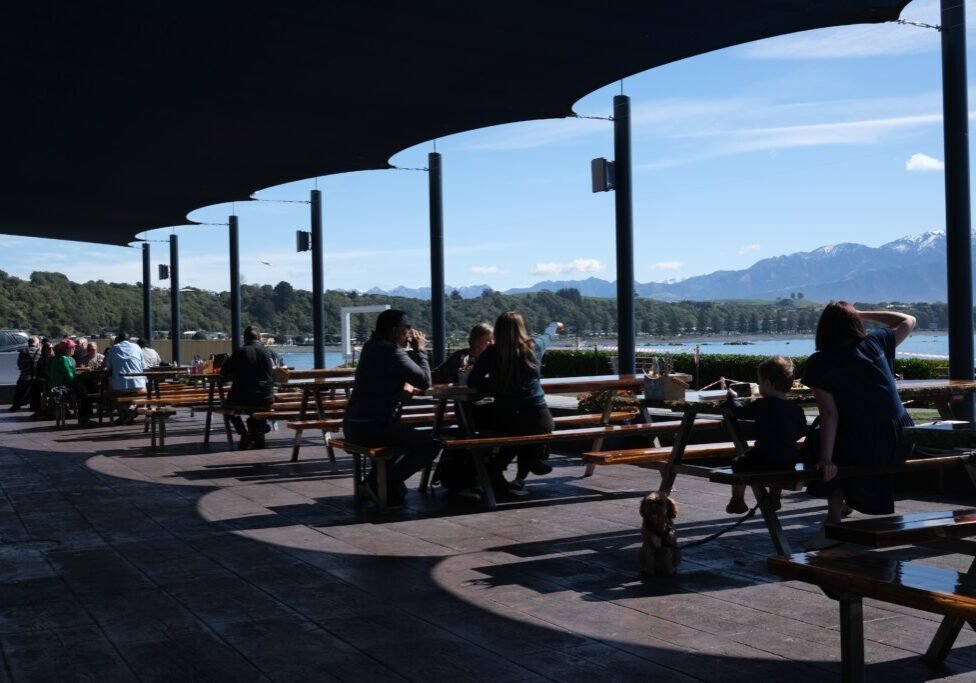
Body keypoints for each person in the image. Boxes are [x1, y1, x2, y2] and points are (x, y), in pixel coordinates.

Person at [803, 301, 916, 549]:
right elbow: (907, 320)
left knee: (820, 440)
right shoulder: (875, 343)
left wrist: (826, 458)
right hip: (903, 437)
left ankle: (832, 524)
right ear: (855, 323)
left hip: (868, 444)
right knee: (847, 435)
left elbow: (829, 413)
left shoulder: (820, 362)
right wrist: (861, 313)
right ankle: (845, 503)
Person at [342, 310, 439, 507]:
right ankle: (380, 483)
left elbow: (387, 377)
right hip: (374, 427)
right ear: (396, 331)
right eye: (407, 329)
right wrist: (420, 350)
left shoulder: (371, 346)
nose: (410, 334)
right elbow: (425, 381)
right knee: (431, 444)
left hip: (355, 425)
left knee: (404, 440)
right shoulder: (390, 350)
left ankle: (380, 484)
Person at [467, 312, 564, 497]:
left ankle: (493, 473)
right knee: (533, 438)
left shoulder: (491, 352)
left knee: (509, 440)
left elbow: (473, 381)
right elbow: (548, 334)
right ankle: (520, 480)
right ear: (522, 327)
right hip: (538, 415)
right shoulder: (533, 347)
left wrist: (498, 386)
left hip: (506, 415)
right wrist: (555, 323)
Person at [723, 355, 808, 514]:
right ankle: (775, 495)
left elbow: (741, 412)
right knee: (778, 468)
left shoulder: (762, 405)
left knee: (738, 463)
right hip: (789, 459)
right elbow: (801, 432)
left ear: (768, 384)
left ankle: (738, 500)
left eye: (760, 382)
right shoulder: (796, 409)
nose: (759, 386)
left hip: (763, 457)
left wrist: (733, 399)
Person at [220, 325, 277, 449]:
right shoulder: (270, 352)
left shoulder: (240, 352)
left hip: (242, 397)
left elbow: (224, 373)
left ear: (245, 338)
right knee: (259, 407)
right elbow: (277, 373)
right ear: (259, 338)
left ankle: (244, 433)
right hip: (266, 397)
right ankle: (259, 430)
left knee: (226, 409)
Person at [46, 341, 95, 427]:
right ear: (66, 349)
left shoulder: (57, 358)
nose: (74, 349)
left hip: (54, 388)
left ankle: (84, 417)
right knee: (85, 392)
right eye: (72, 347)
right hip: (61, 390)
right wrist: (82, 387)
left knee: (85, 388)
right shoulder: (64, 359)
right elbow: (70, 378)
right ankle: (84, 418)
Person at [103, 331, 147, 425]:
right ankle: (131, 412)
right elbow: (143, 366)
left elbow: (108, 367)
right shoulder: (137, 347)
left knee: (110, 393)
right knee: (135, 393)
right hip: (139, 385)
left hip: (120, 386)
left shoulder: (114, 348)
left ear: (118, 340)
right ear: (129, 339)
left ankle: (125, 415)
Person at [10, 336, 41, 412]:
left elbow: (19, 364)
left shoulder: (23, 351)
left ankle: (15, 406)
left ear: (29, 343)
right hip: (36, 378)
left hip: (24, 376)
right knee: (35, 394)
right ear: (36, 343)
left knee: (19, 393)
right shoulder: (39, 352)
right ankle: (34, 407)